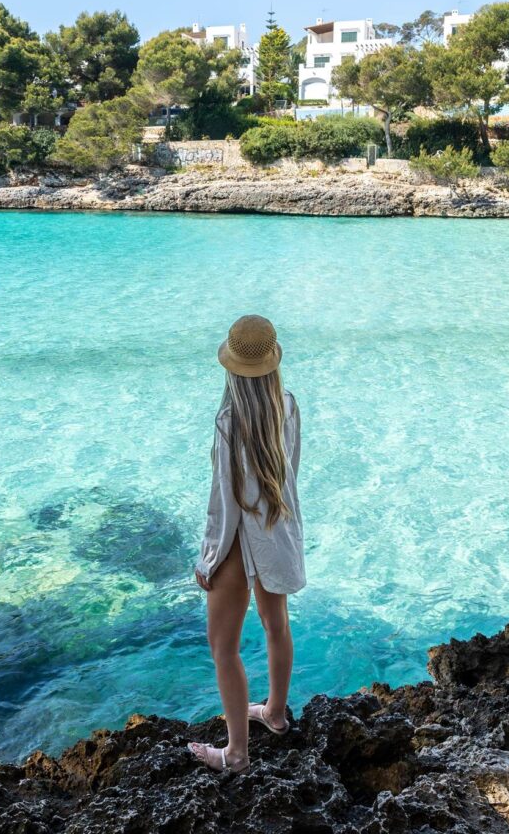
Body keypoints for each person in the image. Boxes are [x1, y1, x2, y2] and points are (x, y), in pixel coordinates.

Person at [187, 314, 306, 774]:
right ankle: (274, 712)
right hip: (275, 527)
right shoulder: (288, 404)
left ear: (232, 367)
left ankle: (236, 753)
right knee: (276, 624)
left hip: (238, 538)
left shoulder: (228, 420)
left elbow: (225, 503)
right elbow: (289, 469)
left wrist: (209, 558)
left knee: (224, 646)